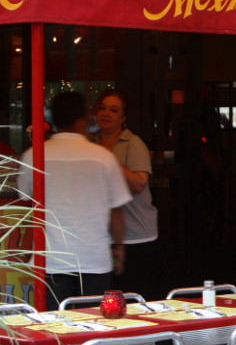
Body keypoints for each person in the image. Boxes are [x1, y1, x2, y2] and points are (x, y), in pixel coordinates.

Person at [18, 91, 132, 306]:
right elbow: (117, 210)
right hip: (94, 258)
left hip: (51, 260)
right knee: (94, 323)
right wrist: (119, 247)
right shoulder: (103, 157)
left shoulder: (33, 155)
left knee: (54, 324)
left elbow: (24, 202)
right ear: (83, 119)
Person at [93, 90, 159, 293]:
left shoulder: (133, 143)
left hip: (135, 234)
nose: (106, 113)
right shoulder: (90, 143)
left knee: (131, 295)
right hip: (102, 233)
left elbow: (139, 184)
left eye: (114, 110)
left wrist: (109, 160)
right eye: (103, 108)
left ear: (123, 118)